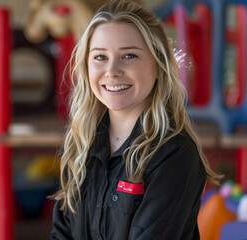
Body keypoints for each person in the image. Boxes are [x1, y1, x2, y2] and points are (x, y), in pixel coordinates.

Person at [50, 0, 222, 239]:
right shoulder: (82, 144)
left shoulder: (175, 155)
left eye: (129, 55)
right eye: (100, 57)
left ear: (158, 66)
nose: (112, 70)